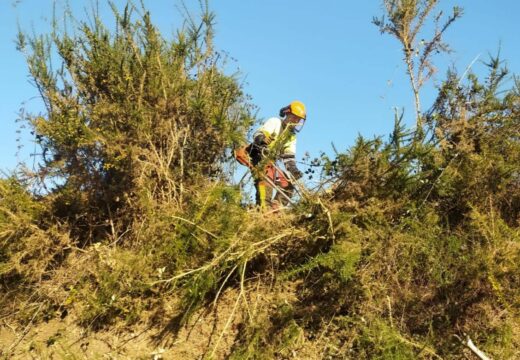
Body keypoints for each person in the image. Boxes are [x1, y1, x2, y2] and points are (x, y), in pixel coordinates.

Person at [246, 100, 306, 209]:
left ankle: (276, 209)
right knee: (266, 183)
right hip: (258, 156)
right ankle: (263, 209)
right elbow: (259, 134)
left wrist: (293, 170)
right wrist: (262, 140)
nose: (296, 121)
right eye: (294, 117)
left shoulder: (291, 136)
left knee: (288, 185)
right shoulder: (275, 122)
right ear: (288, 114)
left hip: (271, 161)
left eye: (298, 120)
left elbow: (288, 156)